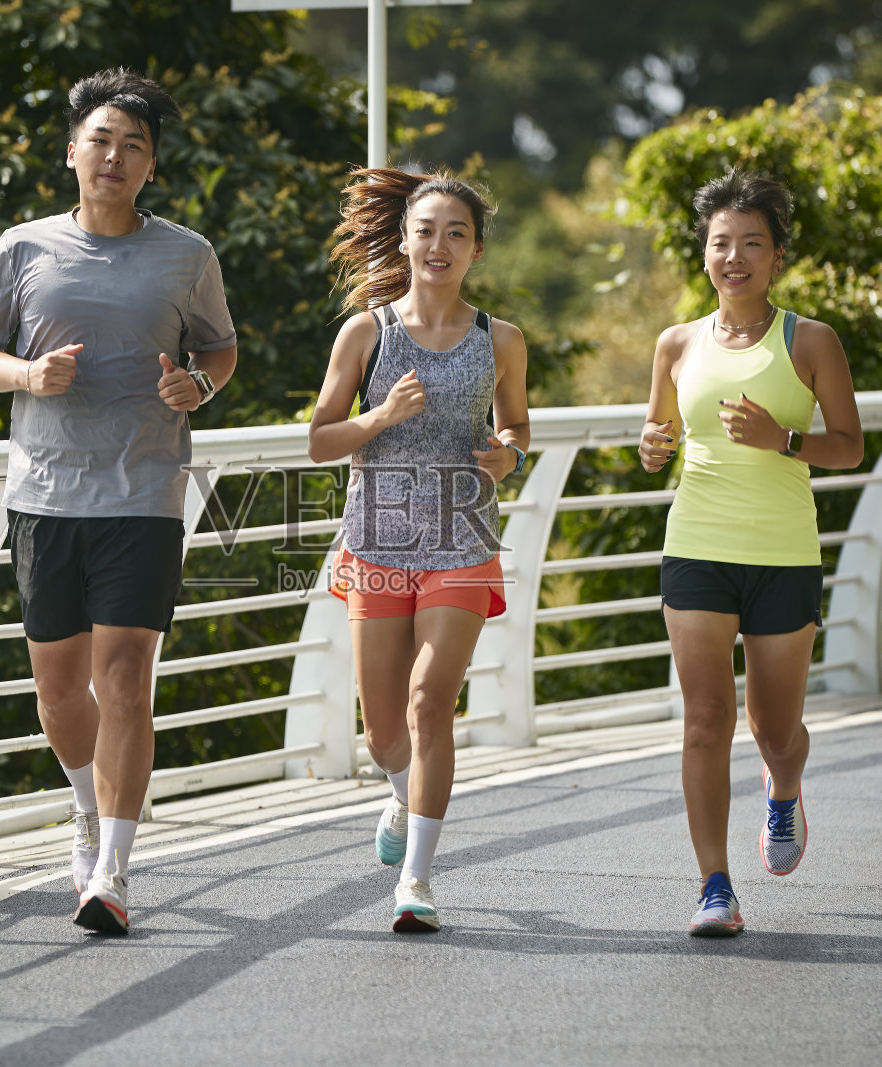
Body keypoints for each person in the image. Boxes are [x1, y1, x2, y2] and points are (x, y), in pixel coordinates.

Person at [0, 68, 237, 934]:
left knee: (126, 681)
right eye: (101, 140)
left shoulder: (186, 254)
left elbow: (220, 352)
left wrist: (197, 385)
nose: (115, 156)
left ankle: (111, 867)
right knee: (60, 692)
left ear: (152, 166)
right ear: (73, 151)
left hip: (145, 490)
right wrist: (27, 375)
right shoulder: (24, 247)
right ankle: (84, 804)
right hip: (44, 493)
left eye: (134, 145)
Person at [640, 168, 862, 936]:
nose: (734, 256)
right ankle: (714, 887)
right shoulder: (676, 343)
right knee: (705, 717)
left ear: (776, 256)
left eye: (751, 244)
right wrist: (649, 446)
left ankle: (784, 786)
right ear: (703, 251)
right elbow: (659, 438)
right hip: (697, 542)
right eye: (721, 243)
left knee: (773, 726)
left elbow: (850, 447)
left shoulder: (812, 341)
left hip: (783, 552)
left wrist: (785, 439)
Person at [308, 168, 530, 932]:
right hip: (376, 541)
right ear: (403, 240)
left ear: (475, 249)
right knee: (385, 732)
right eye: (426, 230)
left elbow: (517, 427)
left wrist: (508, 455)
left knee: (432, 701)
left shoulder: (499, 338)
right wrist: (378, 417)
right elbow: (318, 440)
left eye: (456, 233)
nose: (439, 245)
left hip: (462, 539)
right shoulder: (366, 332)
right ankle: (400, 790)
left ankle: (418, 878)